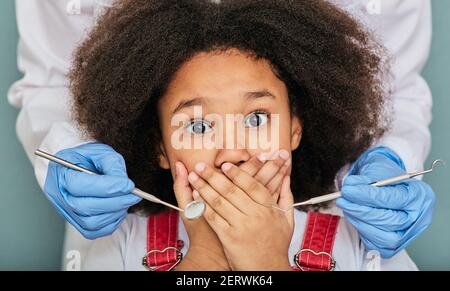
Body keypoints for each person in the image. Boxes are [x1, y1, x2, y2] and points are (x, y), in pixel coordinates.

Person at [8, 0, 434, 268]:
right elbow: (51, 81)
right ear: (158, 145)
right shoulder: (118, 246)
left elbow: (395, 88)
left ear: (297, 126)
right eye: (197, 125)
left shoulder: (362, 250)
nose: (232, 153)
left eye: (256, 118)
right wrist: (209, 254)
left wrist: (265, 260)